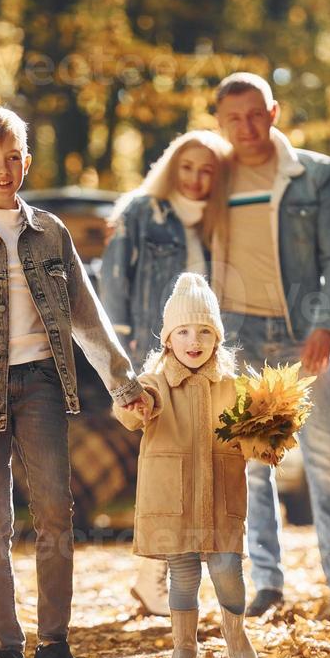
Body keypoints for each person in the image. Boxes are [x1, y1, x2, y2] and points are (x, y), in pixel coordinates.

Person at [0, 106, 146, 658]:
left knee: (56, 515)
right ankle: (6, 650)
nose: (3, 168)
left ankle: (56, 645)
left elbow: (86, 316)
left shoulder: (51, 233)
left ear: (27, 162)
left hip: (41, 384)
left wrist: (123, 382)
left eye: (13, 157)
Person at [212, 72, 330, 619]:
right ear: (220, 124)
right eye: (234, 118)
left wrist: (327, 323)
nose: (246, 126)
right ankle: (268, 586)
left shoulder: (316, 174)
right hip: (241, 336)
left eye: (256, 114)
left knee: (325, 459)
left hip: (305, 335)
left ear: (274, 112)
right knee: (253, 463)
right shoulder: (214, 178)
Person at [100, 130, 232, 617]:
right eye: (188, 168)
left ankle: (162, 577)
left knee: (200, 462)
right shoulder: (141, 211)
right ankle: (152, 574)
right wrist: (124, 364)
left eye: (207, 171)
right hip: (155, 359)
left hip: (202, 359)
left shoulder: (218, 221)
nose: (196, 180)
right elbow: (113, 287)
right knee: (163, 467)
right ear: (171, 167)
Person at [114, 273, 257, 658]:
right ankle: (184, 649)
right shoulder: (156, 383)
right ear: (168, 339)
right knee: (183, 574)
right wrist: (135, 405)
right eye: (183, 332)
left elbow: (253, 436)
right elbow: (132, 405)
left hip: (221, 496)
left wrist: (266, 438)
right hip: (173, 500)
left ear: (216, 339)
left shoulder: (231, 387)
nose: (194, 341)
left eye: (204, 332)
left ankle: (235, 633)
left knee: (228, 568)